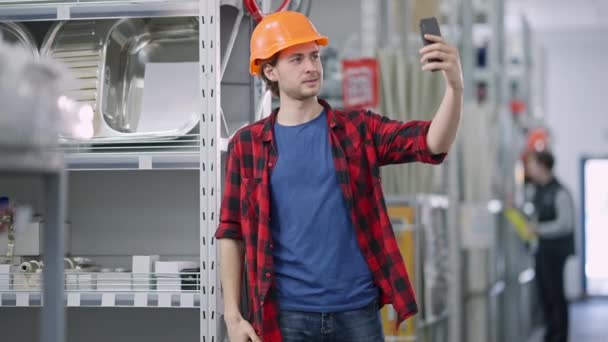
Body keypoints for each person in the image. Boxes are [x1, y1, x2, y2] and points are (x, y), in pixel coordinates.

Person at [215, 11, 463, 342]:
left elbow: (431, 142)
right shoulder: (247, 146)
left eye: (315, 56)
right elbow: (231, 232)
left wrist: (455, 86)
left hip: (356, 312)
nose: (311, 67)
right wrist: (233, 316)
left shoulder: (357, 130)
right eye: (297, 59)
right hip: (287, 316)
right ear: (270, 70)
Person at [526, 150, 575, 342]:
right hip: (542, 251)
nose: (529, 168)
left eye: (532, 164)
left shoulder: (560, 192)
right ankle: (550, 333)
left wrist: (538, 229)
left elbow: (565, 224)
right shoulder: (538, 190)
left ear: (543, 166)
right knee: (545, 295)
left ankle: (560, 335)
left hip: (556, 253)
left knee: (556, 295)